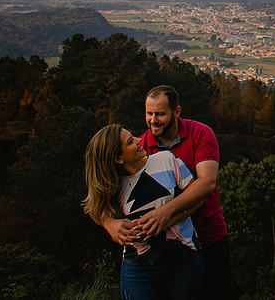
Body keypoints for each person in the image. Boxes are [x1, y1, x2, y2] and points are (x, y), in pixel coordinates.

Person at [103, 85, 232, 299]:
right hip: (161, 252)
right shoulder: (139, 147)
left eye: (160, 114)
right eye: (149, 113)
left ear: (176, 112)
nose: (153, 120)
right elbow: (104, 192)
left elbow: (207, 183)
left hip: (208, 236)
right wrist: (109, 223)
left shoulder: (200, 134)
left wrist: (165, 213)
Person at [84, 124, 204, 299]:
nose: (140, 140)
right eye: (130, 141)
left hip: (182, 256)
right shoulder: (112, 185)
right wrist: (109, 224)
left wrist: (168, 218)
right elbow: (96, 210)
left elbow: (198, 198)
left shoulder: (166, 160)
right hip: (138, 266)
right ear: (118, 157)